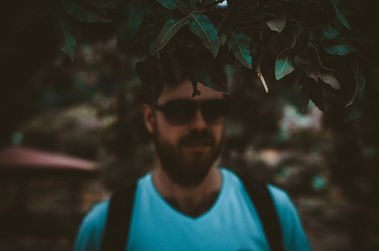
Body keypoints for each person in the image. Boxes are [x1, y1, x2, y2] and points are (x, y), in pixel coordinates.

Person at [74, 49, 311, 250]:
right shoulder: (107, 227)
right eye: (180, 110)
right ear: (150, 118)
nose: (199, 124)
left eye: (213, 109)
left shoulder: (273, 213)